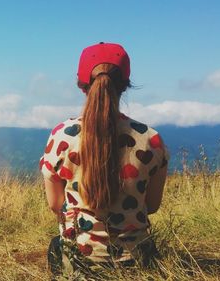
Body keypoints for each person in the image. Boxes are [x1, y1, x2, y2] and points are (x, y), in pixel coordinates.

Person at [39, 42, 169, 279]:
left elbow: (56, 205)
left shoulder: (61, 136)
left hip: (80, 261)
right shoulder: (152, 140)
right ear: (125, 85)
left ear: (82, 86)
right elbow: (151, 206)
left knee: (54, 246)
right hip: (137, 260)